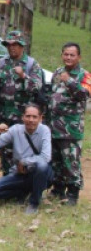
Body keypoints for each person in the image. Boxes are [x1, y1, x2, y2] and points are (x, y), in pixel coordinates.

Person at [0, 104, 53, 214]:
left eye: (34, 117)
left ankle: (34, 203)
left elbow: (45, 157)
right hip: (19, 173)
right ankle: (22, 193)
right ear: (23, 117)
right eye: (28, 116)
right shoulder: (15, 130)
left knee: (42, 166)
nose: (31, 120)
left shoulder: (44, 130)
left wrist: (24, 161)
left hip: (38, 172)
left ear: (41, 118)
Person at [0, 30, 44, 175]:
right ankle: (7, 179)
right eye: (9, 45)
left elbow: (37, 87)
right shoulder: (2, 63)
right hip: (5, 116)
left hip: (24, 118)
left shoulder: (31, 64)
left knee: (24, 150)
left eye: (15, 44)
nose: (12, 48)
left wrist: (23, 76)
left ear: (22, 46)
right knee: (6, 149)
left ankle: (24, 183)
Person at [47, 43, 88, 206]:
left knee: (71, 161)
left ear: (79, 57)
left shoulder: (84, 75)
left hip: (71, 128)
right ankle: (58, 189)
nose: (68, 58)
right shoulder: (57, 72)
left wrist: (70, 81)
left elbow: (85, 95)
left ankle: (73, 193)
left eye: (72, 55)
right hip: (54, 125)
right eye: (66, 54)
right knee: (56, 160)